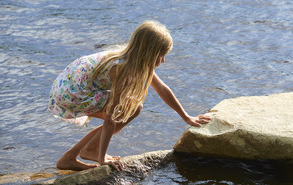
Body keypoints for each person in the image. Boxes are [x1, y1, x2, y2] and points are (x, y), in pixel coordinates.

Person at [48, 20, 211, 171]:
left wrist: (186, 116)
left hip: (68, 86)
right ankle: (78, 155)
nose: (163, 60)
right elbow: (111, 118)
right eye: (161, 55)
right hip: (74, 93)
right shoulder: (123, 71)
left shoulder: (133, 59)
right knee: (126, 111)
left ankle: (87, 151)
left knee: (134, 108)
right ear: (148, 54)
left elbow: (162, 89)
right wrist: (103, 158)